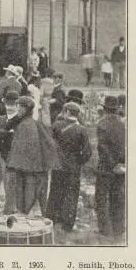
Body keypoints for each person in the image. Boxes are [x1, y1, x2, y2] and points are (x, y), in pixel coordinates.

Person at [6, 96, 61, 216]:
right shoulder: (30, 122)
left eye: (19, 106)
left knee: (27, 199)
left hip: (28, 169)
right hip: (31, 168)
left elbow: (25, 148)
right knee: (29, 197)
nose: (17, 109)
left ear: (25, 109)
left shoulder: (26, 125)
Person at [46, 102, 92, 233]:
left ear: (66, 112)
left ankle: (51, 218)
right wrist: (78, 161)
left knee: (55, 191)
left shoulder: (56, 125)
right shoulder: (82, 130)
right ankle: (67, 224)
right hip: (73, 167)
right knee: (71, 194)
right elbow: (88, 152)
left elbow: (49, 144)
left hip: (58, 165)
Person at [95, 96, 126, 239]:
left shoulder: (102, 124)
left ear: (105, 109)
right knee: (118, 197)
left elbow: (102, 147)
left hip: (106, 167)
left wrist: (112, 164)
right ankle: (118, 229)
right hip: (120, 167)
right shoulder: (122, 123)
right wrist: (121, 163)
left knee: (101, 198)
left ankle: (104, 230)